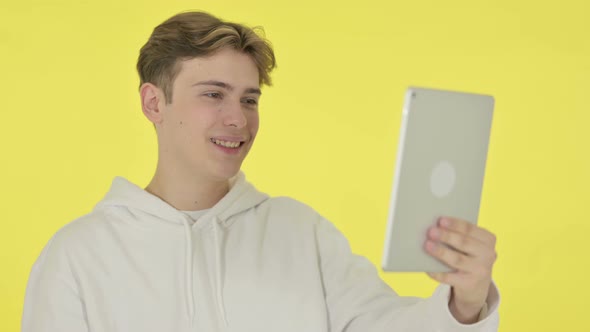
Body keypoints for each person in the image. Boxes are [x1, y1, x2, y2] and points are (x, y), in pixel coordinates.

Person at [22, 11, 499, 332]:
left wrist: (466, 303)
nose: (238, 118)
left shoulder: (300, 233)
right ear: (153, 103)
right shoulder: (78, 258)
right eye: (213, 94)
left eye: (249, 99)